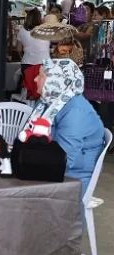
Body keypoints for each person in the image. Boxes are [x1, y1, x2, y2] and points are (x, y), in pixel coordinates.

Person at [31, 58, 105, 198]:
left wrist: (29, 162)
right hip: (55, 164)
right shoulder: (49, 102)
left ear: (56, 80)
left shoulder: (75, 110)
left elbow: (65, 157)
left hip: (74, 176)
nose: (35, 79)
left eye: (40, 75)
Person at [17, 8, 50, 74]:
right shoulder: (46, 30)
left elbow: (19, 49)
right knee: (43, 83)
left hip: (27, 63)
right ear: (40, 18)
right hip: (45, 64)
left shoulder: (22, 31)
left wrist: (23, 56)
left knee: (28, 83)